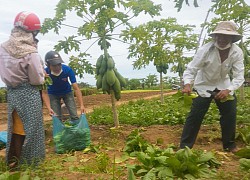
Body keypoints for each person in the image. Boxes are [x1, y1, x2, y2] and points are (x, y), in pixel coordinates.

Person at [180, 21, 245, 152]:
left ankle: (229, 145)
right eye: (219, 36)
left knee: (229, 113)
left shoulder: (237, 52)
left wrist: (228, 90)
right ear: (215, 37)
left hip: (224, 85)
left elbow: (239, 76)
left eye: (226, 36)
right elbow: (192, 68)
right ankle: (184, 147)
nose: (221, 39)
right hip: (204, 85)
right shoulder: (205, 50)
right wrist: (187, 84)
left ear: (232, 38)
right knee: (195, 115)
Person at [0, 11, 46, 168]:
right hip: (29, 93)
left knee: (16, 128)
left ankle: (16, 159)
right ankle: (30, 163)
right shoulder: (30, 52)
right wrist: (43, 76)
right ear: (32, 32)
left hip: (12, 94)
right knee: (32, 130)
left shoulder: (3, 48)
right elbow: (36, 79)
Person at [44, 51, 86, 121]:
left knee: (74, 115)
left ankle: (75, 130)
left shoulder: (67, 70)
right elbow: (44, 93)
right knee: (56, 118)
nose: (57, 67)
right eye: (54, 65)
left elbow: (76, 88)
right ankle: (61, 131)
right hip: (53, 94)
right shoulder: (44, 73)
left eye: (59, 64)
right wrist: (49, 108)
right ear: (48, 65)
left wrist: (82, 105)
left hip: (67, 93)